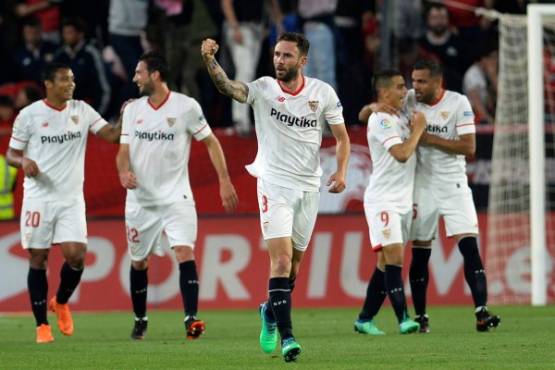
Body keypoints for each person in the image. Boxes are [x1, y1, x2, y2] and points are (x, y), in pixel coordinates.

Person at [201, 32, 350, 362]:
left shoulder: (322, 93)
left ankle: (269, 311)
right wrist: (211, 60)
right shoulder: (263, 88)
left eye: (286, 56)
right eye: (277, 55)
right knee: (280, 262)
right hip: (273, 183)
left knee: (293, 269)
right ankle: (288, 338)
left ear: (302, 61)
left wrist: (341, 172)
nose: (279, 61)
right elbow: (229, 88)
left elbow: (342, 137)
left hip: (309, 187)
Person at [359, 59, 501, 333]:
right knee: (420, 253)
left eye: (422, 81)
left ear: (438, 81)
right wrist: (374, 107)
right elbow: (366, 114)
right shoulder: (410, 99)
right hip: (421, 185)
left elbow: (469, 147)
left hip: (453, 184)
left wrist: (424, 135)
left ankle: (481, 311)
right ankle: (421, 316)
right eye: (413, 81)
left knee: (469, 247)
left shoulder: (458, 103)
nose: (415, 87)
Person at [116, 51, 239, 341]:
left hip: (176, 198)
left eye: (139, 73)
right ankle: (140, 318)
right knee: (139, 262)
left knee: (185, 252)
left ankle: (191, 319)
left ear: (155, 75)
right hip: (140, 202)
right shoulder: (132, 110)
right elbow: (123, 152)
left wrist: (224, 181)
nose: (135, 78)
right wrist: (123, 173)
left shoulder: (186, 107)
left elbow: (211, 142)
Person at [6, 62, 121, 344]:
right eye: (64, 80)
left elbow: (111, 135)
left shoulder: (81, 110)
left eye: (72, 79)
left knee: (77, 256)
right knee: (38, 257)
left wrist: (125, 115)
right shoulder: (29, 115)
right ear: (48, 84)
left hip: (70, 198)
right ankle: (42, 325)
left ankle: (61, 301)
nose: (71, 84)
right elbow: (11, 153)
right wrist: (24, 161)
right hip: (39, 198)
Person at [354, 70, 424, 336]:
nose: (404, 90)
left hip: (403, 200)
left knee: (385, 264)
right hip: (383, 199)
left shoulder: (400, 110)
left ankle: (364, 319)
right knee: (395, 256)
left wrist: (367, 107)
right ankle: (404, 319)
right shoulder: (381, 120)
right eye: (398, 86)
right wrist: (417, 130)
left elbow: (362, 112)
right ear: (384, 93)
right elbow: (402, 154)